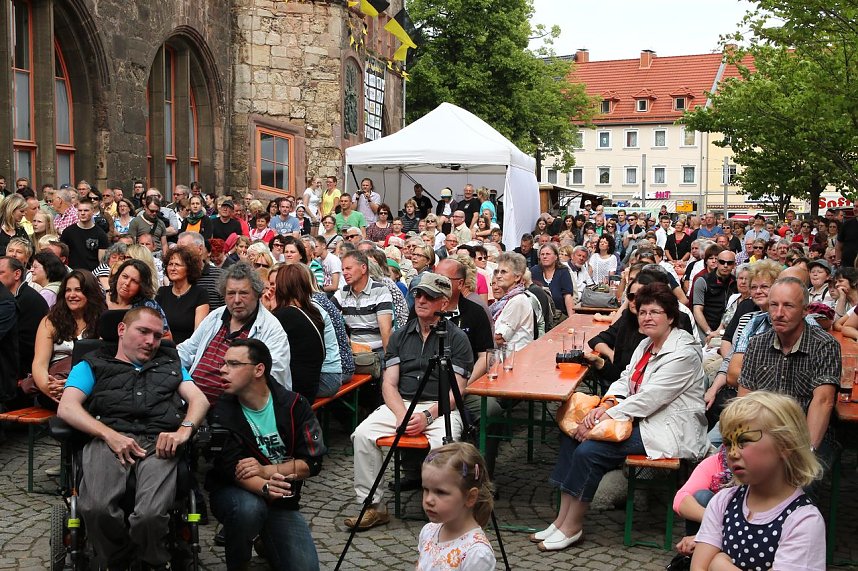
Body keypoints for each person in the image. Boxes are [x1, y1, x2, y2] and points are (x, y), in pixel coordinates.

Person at [535, 283, 708, 552]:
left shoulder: (683, 352)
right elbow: (625, 379)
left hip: (668, 428)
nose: (647, 317)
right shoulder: (647, 344)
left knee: (590, 450)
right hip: (639, 418)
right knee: (572, 435)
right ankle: (561, 520)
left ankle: (573, 526)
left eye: (655, 312)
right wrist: (608, 402)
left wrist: (605, 414)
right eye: (643, 312)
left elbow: (651, 398)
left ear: (671, 317)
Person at [56, 307, 209, 569]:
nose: (151, 341)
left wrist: (184, 430)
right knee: (95, 508)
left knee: (150, 515)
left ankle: (151, 561)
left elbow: (199, 400)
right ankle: (116, 559)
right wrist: (108, 434)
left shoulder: (170, 365)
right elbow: (67, 407)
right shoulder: (91, 365)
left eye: (157, 336)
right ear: (122, 329)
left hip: (158, 442)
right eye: (143, 332)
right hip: (108, 439)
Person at [344, 273, 474, 530]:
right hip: (402, 403)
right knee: (362, 434)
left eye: (430, 297)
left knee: (443, 445)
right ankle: (373, 506)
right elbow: (389, 384)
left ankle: (443, 510)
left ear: (444, 303)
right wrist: (401, 414)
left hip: (441, 407)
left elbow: (458, 391)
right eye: (418, 294)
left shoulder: (457, 338)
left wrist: (428, 416)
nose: (421, 300)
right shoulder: (400, 335)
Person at [206, 339, 325, 571]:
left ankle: (266, 540)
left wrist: (266, 471)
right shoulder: (221, 412)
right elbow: (230, 469)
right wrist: (266, 487)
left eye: (233, 364)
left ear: (258, 369)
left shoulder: (294, 405)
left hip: (281, 501)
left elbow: (313, 462)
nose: (222, 370)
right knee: (248, 510)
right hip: (236, 493)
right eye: (224, 363)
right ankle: (239, 563)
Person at [691, 392, 826, 570]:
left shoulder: (803, 521)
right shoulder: (723, 502)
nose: (733, 453)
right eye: (728, 443)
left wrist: (719, 566)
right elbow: (698, 567)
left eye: (744, 440)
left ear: (785, 445)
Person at [737, 277, 840, 469]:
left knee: (798, 478)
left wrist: (805, 454)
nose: (778, 313)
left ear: (805, 310)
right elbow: (745, 399)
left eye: (788, 306)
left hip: (805, 433)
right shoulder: (756, 344)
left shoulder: (824, 345)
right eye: (773, 305)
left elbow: (823, 401)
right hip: (764, 433)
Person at [178, 261, 292, 404]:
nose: (236, 300)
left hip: (235, 410)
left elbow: (274, 378)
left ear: (257, 294)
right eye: (231, 293)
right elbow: (188, 350)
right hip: (189, 401)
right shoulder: (216, 316)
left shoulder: (271, 329)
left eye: (243, 293)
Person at [418, 442, 497, 570]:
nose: (428, 500)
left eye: (440, 492)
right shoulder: (429, 531)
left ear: (470, 497)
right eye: (426, 489)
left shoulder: (475, 554)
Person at [271, 264, 326, 402]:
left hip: (294, 393)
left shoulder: (286, 315)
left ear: (283, 287)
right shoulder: (313, 312)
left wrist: (269, 310)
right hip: (310, 387)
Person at [333, 250, 394, 353]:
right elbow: (326, 313)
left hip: (377, 352)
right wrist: (342, 335)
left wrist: (388, 358)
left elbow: (386, 331)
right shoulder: (342, 293)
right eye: (343, 269)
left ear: (363, 268)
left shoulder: (380, 291)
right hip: (353, 352)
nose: (344, 273)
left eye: (348, 268)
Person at [0, 256, 47, 379]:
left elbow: (26, 344)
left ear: (17, 274)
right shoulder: (10, 298)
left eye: (1, 273)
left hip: (21, 373)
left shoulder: (30, 300)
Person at [155, 246, 210, 344]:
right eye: (170, 264)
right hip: (162, 346)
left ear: (189, 268)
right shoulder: (162, 292)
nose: (172, 268)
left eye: (177, 265)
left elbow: (198, 335)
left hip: (187, 349)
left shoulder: (200, 294)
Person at [491, 252, 535, 350]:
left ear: (517, 277)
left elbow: (500, 338)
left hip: (515, 356)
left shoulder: (518, 300)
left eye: (503, 272)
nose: (498, 276)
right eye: (497, 271)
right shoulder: (506, 299)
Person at [692, 249, 738, 341]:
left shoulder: (736, 282)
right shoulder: (702, 281)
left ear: (734, 265)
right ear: (717, 263)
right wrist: (708, 332)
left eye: (729, 263)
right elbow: (697, 310)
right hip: (706, 329)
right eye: (722, 262)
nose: (725, 265)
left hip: (728, 330)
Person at [61, 198, 110, 271]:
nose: (82, 213)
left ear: (93, 211)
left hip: (92, 274)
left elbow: (102, 263)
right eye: (80, 210)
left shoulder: (101, 234)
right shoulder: (68, 232)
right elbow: (62, 256)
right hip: (72, 273)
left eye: (86, 210)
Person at [530, 242, 575, 316]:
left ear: (556, 256)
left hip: (559, 315)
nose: (544, 256)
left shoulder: (563, 271)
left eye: (548, 254)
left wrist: (571, 319)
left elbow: (568, 296)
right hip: (539, 315)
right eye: (542, 254)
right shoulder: (534, 271)